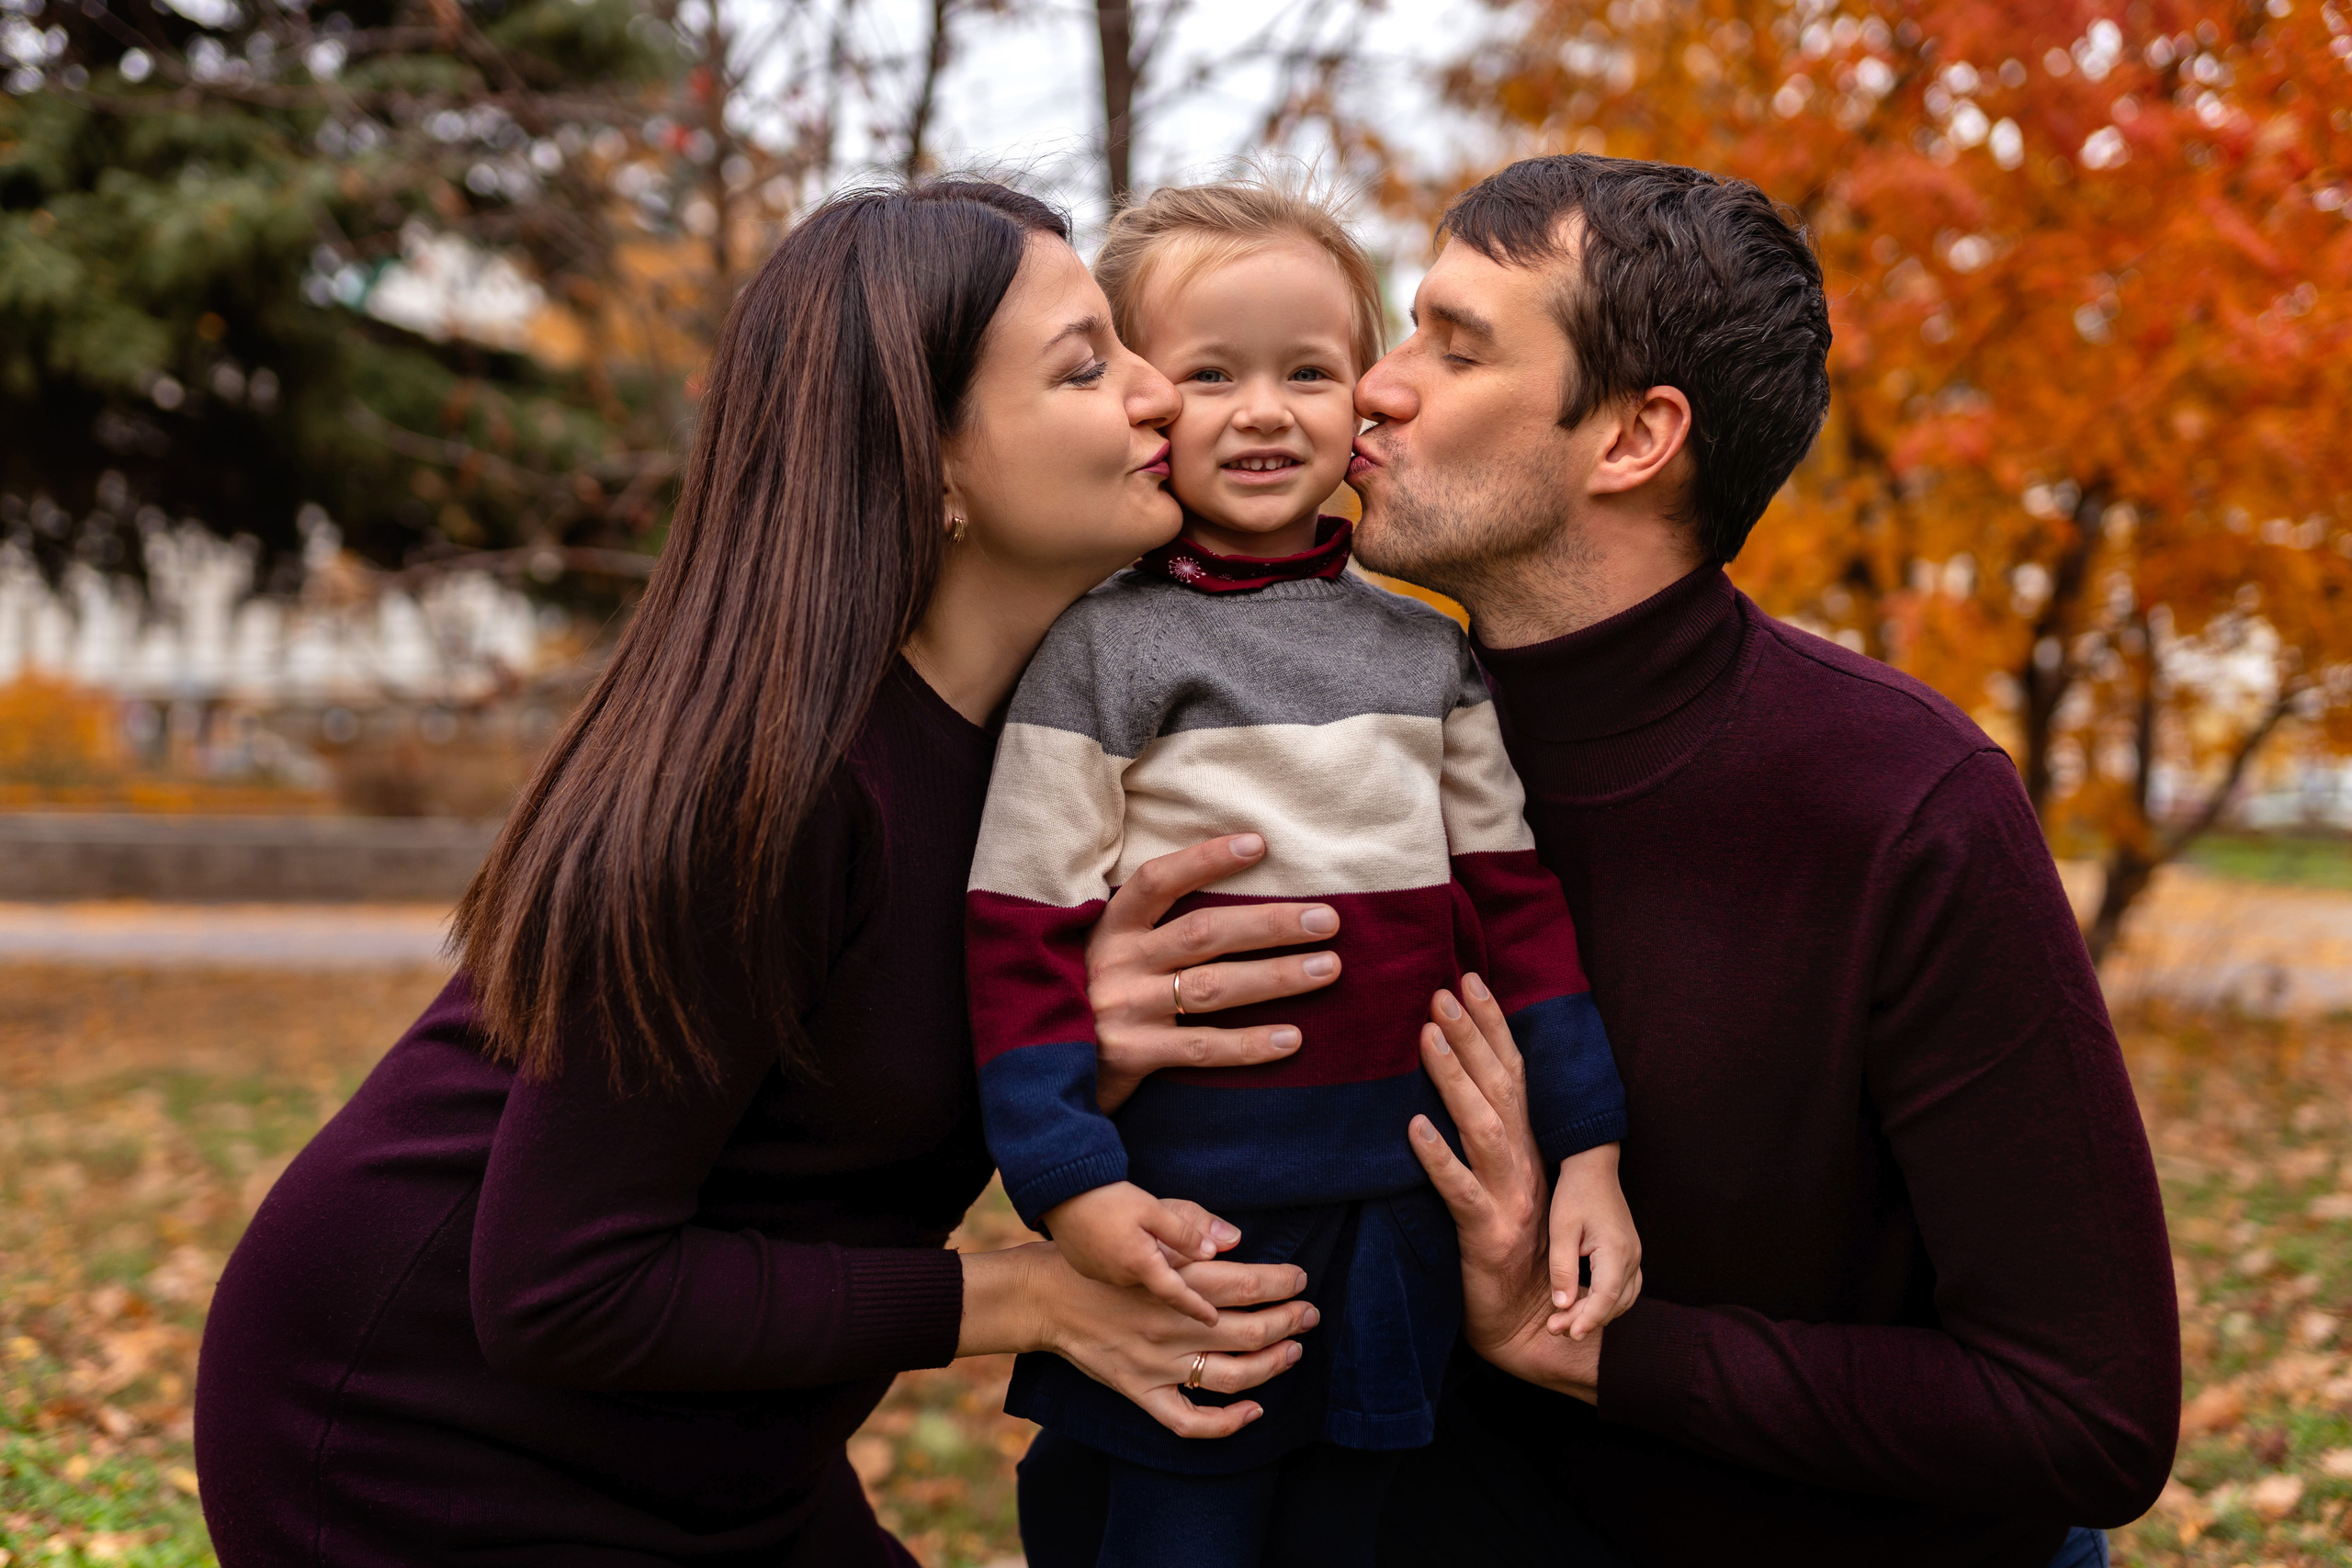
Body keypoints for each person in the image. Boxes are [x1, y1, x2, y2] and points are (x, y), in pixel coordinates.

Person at [191, 180, 1324, 1566]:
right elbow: (561, 1288)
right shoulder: (771, 789)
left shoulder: (1040, 745)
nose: (1164, 396)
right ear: (936, 462)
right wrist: (1022, 1301)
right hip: (421, 1443)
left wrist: (1061, 1037)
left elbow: (850, 1085)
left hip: (715, 1451)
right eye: (1089, 364)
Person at [1077, 154, 2180, 1568]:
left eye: (1452, 344)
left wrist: (1595, 1352)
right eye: (1404, 327)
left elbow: (2085, 1419)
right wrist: (1086, 1042)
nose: (1376, 388)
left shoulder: (1904, 801)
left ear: (1632, 439)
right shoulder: (1316, 728)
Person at [965, 180, 1638, 1568]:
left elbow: (1516, 908)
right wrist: (1072, 1184)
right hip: (1195, 1221)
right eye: (1212, 375)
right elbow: (1021, 933)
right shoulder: (1103, 655)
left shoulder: (1428, 649)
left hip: (1399, 1214)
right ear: (1148, 403)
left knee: (1359, 1528)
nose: (1264, 411)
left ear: (1357, 400)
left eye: (1308, 373)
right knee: (1174, 1527)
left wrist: (1591, 1151)